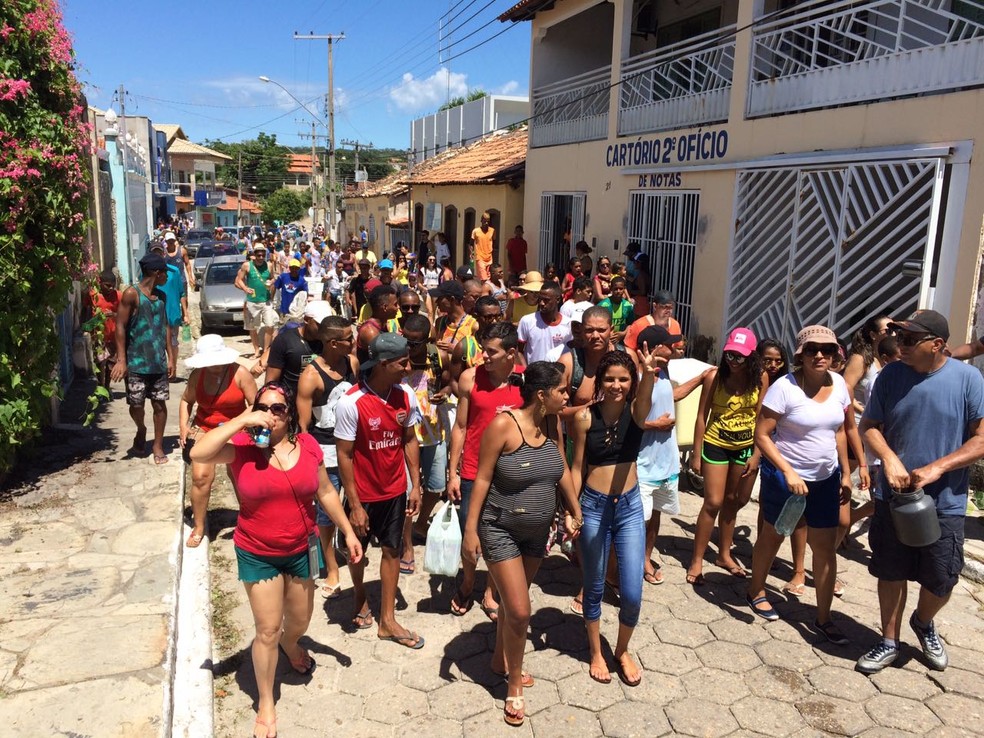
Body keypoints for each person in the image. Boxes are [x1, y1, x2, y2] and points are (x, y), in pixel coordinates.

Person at [189, 382, 363, 738]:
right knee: (267, 629)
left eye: (278, 408)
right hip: (257, 552)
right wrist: (241, 421)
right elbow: (199, 453)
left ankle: (292, 643)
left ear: (289, 414)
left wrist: (347, 530)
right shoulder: (241, 449)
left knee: (298, 621)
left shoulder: (310, 446)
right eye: (264, 407)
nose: (271, 413)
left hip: (301, 549)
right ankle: (266, 703)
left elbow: (326, 491)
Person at [856, 310, 984, 673]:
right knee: (891, 572)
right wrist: (889, 460)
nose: (900, 346)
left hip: (946, 502)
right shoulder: (891, 376)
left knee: (942, 579)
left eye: (911, 340)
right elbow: (869, 426)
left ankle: (924, 622)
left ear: (938, 344)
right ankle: (888, 640)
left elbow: (982, 438)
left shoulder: (968, 380)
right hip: (894, 500)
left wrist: (938, 467)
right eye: (899, 339)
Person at [461, 361, 582, 727]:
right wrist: (470, 532)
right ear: (542, 394)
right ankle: (513, 680)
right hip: (500, 528)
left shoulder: (552, 423)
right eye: (562, 390)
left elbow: (559, 469)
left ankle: (500, 660)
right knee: (521, 610)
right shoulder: (504, 425)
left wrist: (572, 510)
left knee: (514, 609)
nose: (567, 395)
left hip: (536, 533)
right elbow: (481, 480)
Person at [747, 326, 857, 645]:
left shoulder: (839, 386)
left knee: (824, 548)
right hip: (785, 479)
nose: (820, 355)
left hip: (825, 480)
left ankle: (823, 617)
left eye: (827, 349)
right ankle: (756, 589)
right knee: (773, 535)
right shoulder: (785, 388)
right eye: (812, 350)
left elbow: (838, 431)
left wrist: (846, 472)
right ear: (800, 355)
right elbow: (762, 434)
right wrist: (788, 472)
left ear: (836, 353)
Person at [570, 347, 661, 685]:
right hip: (593, 506)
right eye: (610, 379)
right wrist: (573, 510)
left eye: (624, 379)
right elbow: (577, 467)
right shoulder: (584, 418)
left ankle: (621, 650)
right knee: (593, 585)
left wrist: (648, 372)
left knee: (633, 591)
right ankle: (595, 651)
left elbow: (646, 397)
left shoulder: (636, 413)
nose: (617, 385)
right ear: (600, 381)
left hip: (629, 507)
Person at [334, 333, 425, 647]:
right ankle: (359, 596)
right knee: (356, 552)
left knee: (392, 550)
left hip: (396, 491)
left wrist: (415, 484)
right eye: (403, 362)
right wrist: (356, 505)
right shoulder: (351, 402)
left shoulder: (406, 395)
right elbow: (344, 455)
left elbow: (409, 439)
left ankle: (387, 620)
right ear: (384, 364)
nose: (408, 367)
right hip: (363, 495)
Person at [448, 322, 525, 621]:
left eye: (491, 352)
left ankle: (491, 590)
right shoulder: (469, 378)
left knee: (501, 535)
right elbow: (461, 426)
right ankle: (468, 581)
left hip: (510, 473)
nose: (484, 357)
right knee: (471, 534)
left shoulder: (523, 381)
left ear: (511, 353)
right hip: (471, 471)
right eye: (483, 350)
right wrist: (452, 473)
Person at [687, 328, 768, 584]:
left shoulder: (761, 378)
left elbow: (760, 418)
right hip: (716, 444)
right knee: (713, 501)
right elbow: (702, 416)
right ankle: (697, 559)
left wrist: (756, 454)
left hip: (744, 446)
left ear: (751, 356)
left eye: (740, 357)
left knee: (733, 501)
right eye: (730, 354)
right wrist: (696, 454)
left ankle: (724, 554)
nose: (734, 360)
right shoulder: (714, 377)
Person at [637, 325, 710, 585]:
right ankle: (633, 562)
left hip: (665, 462)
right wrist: (653, 425)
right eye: (670, 345)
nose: (676, 348)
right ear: (652, 348)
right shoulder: (635, 377)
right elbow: (628, 418)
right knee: (638, 519)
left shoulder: (665, 372)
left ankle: (645, 556)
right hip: (642, 462)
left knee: (656, 513)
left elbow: (672, 394)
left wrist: (700, 379)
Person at [296, 316, 359, 599]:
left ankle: (353, 545)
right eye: (349, 338)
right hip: (327, 453)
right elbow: (303, 427)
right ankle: (331, 567)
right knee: (327, 513)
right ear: (333, 343)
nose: (354, 342)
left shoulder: (352, 364)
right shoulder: (310, 377)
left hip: (356, 449)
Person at [179, 334, 256, 547]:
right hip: (205, 429)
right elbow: (186, 400)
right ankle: (200, 525)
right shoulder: (198, 376)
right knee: (201, 477)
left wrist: (237, 424)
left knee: (240, 475)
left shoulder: (240, 374)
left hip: (236, 428)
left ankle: (248, 518)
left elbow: (255, 404)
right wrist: (184, 426)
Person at [111, 252, 176, 464]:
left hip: (157, 362)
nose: (166, 276)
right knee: (136, 405)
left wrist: (170, 356)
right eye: (164, 272)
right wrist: (121, 360)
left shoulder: (161, 297)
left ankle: (157, 444)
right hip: (136, 361)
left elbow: (165, 326)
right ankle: (141, 429)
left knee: (159, 404)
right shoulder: (132, 294)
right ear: (156, 273)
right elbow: (120, 325)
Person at [399, 314, 451, 569]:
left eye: (415, 343)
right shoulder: (397, 356)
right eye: (406, 340)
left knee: (436, 486)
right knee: (409, 492)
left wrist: (446, 392)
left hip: (434, 432)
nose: (409, 347)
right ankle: (406, 544)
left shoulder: (436, 356)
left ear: (427, 340)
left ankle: (420, 526)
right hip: (405, 435)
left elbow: (451, 380)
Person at [264, 301, 332, 395]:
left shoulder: (329, 341)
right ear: (307, 319)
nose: (324, 330)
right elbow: (271, 381)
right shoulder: (284, 341)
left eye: (327, 326)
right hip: (292, 400)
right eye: (320, 325)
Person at [236, 243, 277, 360]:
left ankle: (265, 350)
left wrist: (271, 282)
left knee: (270, 324)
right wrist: (245, 288)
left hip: (266, 300)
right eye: (258, 254)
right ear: (254, 254)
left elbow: (273, 277)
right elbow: (239, 280)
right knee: (253, 327)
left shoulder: (269, 265)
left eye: (262, 253)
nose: (260, 256)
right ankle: (256, 350)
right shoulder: (247, 266)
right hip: (252, 301)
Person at [517, 281, 572, 364]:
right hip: (533, 375)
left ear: (557, 299)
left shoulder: (568, 324)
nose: (541, 303)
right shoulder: (527, 321)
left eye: (546, 300)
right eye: (540, 299)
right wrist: (526, 372)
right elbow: (519, 351)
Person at [624, 290, 682, 362]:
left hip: (666, 367)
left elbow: (678, 347)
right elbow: (628, 352)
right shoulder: (639, 325)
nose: (669, 311)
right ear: (655, 306)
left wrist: (676, 354)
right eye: (665, 307)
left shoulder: (675, 324)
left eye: (671, 308)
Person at [86, 270, 121, 390]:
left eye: (113, 285)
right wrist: (98, 319)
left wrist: (114, 314)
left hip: (113, 337)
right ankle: (100, 387)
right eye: (107, 285)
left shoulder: (118, 296)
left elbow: (125, 314)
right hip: (98, 338)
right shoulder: (93, 296)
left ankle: (107, 387)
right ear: (100, 283)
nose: (111, 288)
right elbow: (86, 317)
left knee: (110, 364)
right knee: (99, 363)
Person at [431, 280, 478, 352]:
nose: (436, 302)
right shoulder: (440, 323)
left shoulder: (473, 325)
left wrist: (456, 350)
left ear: (452, 299)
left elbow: (477, 355)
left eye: (440, 298)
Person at [597, 276, 635, 350]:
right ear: (611, 289)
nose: (618, 291)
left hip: (621, 343)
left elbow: (631, 324)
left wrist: (623, 333)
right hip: (605, 342)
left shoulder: (627, 306)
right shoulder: (603, 305)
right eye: (615, 289)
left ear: (624, 289)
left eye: (621, 289)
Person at [471, 211, 495, 281]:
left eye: (488, 221)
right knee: (483, 278)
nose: (486, 223)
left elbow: (494, 243)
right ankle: (484, 290)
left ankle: (485, 290)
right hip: (480, 257)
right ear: (481, 220)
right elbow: (471, 243)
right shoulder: (476, 231)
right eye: (485, 221)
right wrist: (471, 253)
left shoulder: (492, 231)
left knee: (489, 278)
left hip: (489, 258)